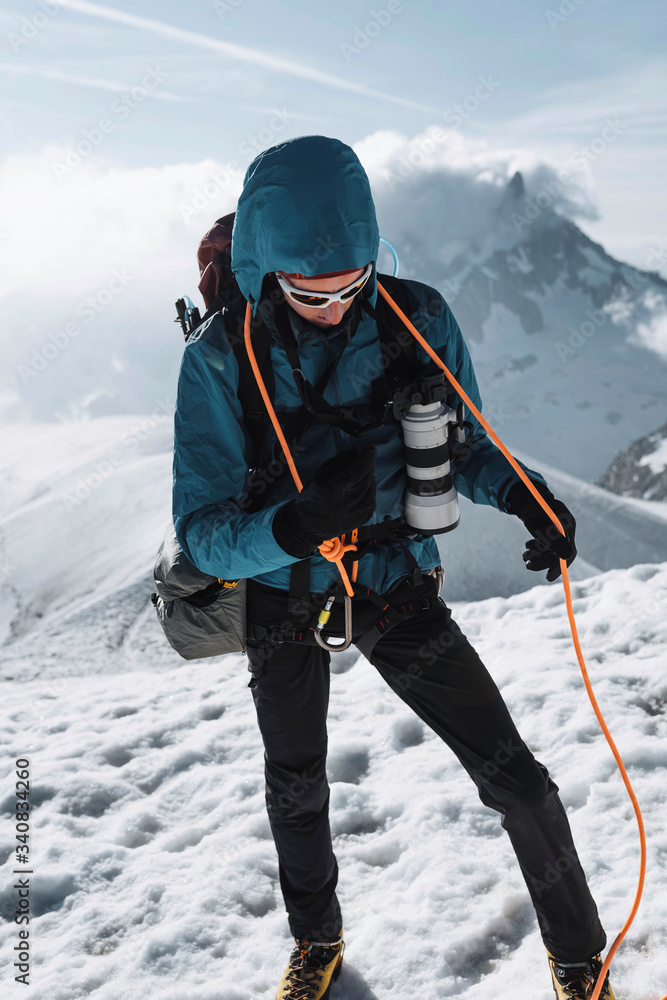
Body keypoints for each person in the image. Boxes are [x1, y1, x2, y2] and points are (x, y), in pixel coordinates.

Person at [171, 135, 614, 1000]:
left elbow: (467, 445)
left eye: (350, 285)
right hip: (283, 589)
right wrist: (295, 525)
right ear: (267, 271)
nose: (335, 307)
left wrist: (526, 497)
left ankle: (578, 957)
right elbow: (204, 536)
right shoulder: (220, 358)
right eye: (309, 292)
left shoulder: (415, 315)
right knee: (296, 786)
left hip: (392, 579)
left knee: (514, 779)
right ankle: (315, 941)